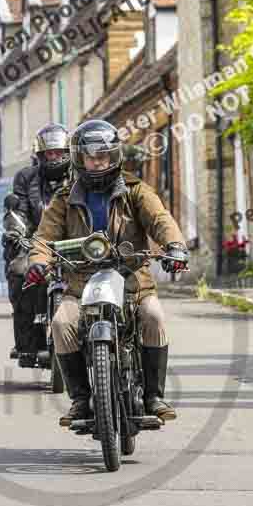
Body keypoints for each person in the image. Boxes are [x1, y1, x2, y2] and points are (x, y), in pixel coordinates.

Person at [25, 119, 188, 424]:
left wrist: (175, 246)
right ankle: (81, 400)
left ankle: (154, 395)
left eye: (103, 156)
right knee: (61, 324)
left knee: (153, 316)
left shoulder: (136, 190)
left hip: (132, 280)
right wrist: (38, 260)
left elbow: (160, 219)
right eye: (90, 156)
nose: (97, 162)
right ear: (79, 158)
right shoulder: (64, 199)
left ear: (114, 156)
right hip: (80, 282)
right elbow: (44, 237)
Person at [2, 123, 71, 362]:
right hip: (35, 242)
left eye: (59, 153)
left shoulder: (80, 176)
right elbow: (18, 209)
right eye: (49, 153)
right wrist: (16, 230)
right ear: (40, 155)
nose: (54, 157)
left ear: (68, 153)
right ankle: (28, 342)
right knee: (19, 271)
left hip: (75, 242)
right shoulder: (25, 178)